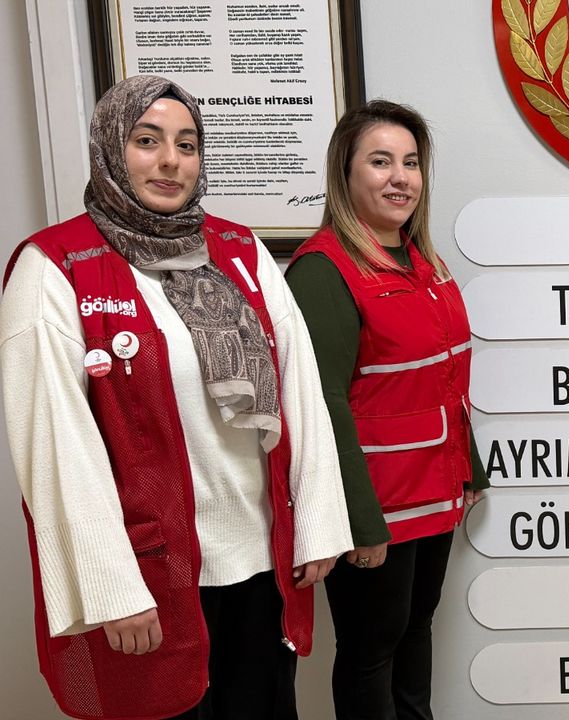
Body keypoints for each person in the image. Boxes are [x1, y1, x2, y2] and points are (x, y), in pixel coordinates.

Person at [0, 75, 353, 720]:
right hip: (150, 573)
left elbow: (301, 389)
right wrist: (112, 588)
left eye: (187, 145)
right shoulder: (55, 267)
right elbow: (55, 449)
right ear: (111, 148)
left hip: (259, 562)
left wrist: (318, 525)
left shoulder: (239, 250)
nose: (170, 161)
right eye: (147, 141)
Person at [286, 100, 488, 720]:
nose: (400, 177)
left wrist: (470, 469)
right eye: (380, 162)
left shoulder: (422, 262)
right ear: (345, 175)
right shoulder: (324, 271)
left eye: (411, 162)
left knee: (415, 631)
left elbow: (443, 379)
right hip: (378, 503)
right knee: (371, 650)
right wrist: (359, 521)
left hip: (433, 491)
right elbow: (322, 405)